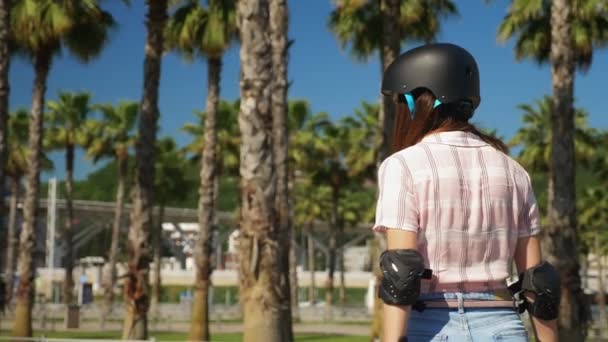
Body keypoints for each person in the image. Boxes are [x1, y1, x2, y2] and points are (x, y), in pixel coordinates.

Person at [374, 43, 560, 342]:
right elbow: (539, 281)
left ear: (415, 102)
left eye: (400, 101)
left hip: (431, 325)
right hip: (503, 326)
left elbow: (402, 271)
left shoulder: (403, 166)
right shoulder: (513, 171)